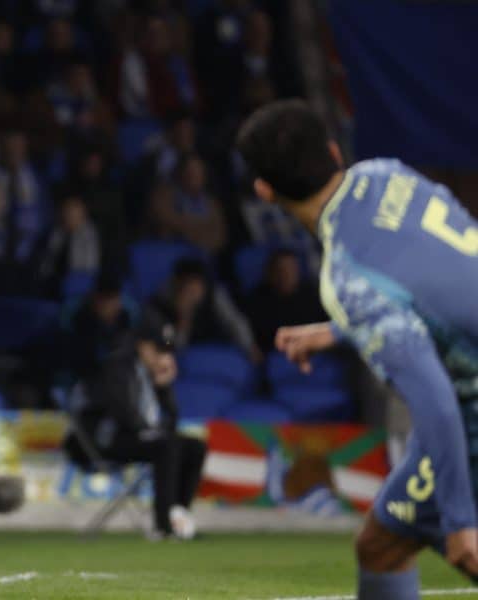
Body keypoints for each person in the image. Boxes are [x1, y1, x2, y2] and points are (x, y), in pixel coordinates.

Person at [236, 99, 478, 599]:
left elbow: (434, 400)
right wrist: (338, 330)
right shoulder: (387, 174)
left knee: (417, 545)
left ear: (264, 190)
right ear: (332, 151)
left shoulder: (347, 278)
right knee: (382, 545)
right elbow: (432, 277)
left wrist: (461, 521)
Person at [63, 318, 208, 539]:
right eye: (158, 349)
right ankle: (163, 526)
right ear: (143, 345)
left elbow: (171, 421)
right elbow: (125, 415)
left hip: (136, 437)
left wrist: (164, 387)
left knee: (195, 446)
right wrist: (154, 431)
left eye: (166, 350)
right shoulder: (118, 366)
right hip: (105, 440)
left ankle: (179, 518)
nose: (163, 356)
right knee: (167, 446)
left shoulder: (147, 372)